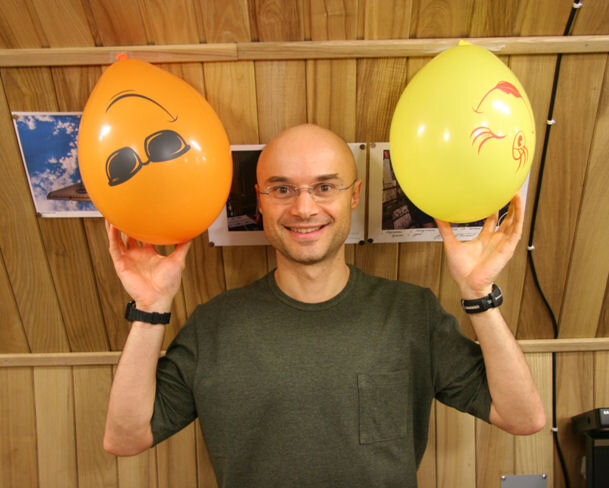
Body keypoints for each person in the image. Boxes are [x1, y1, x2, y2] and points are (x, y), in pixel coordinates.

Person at [103, 124, 545, 487]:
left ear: (353, 196)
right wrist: (150, 306)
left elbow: (522, 417)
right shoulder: (214, 325)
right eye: (282, 189)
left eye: (324, 187)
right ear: (260, 200)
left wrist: (479, 293)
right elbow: (125, 438)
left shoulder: (412, 313)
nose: (303, 207)